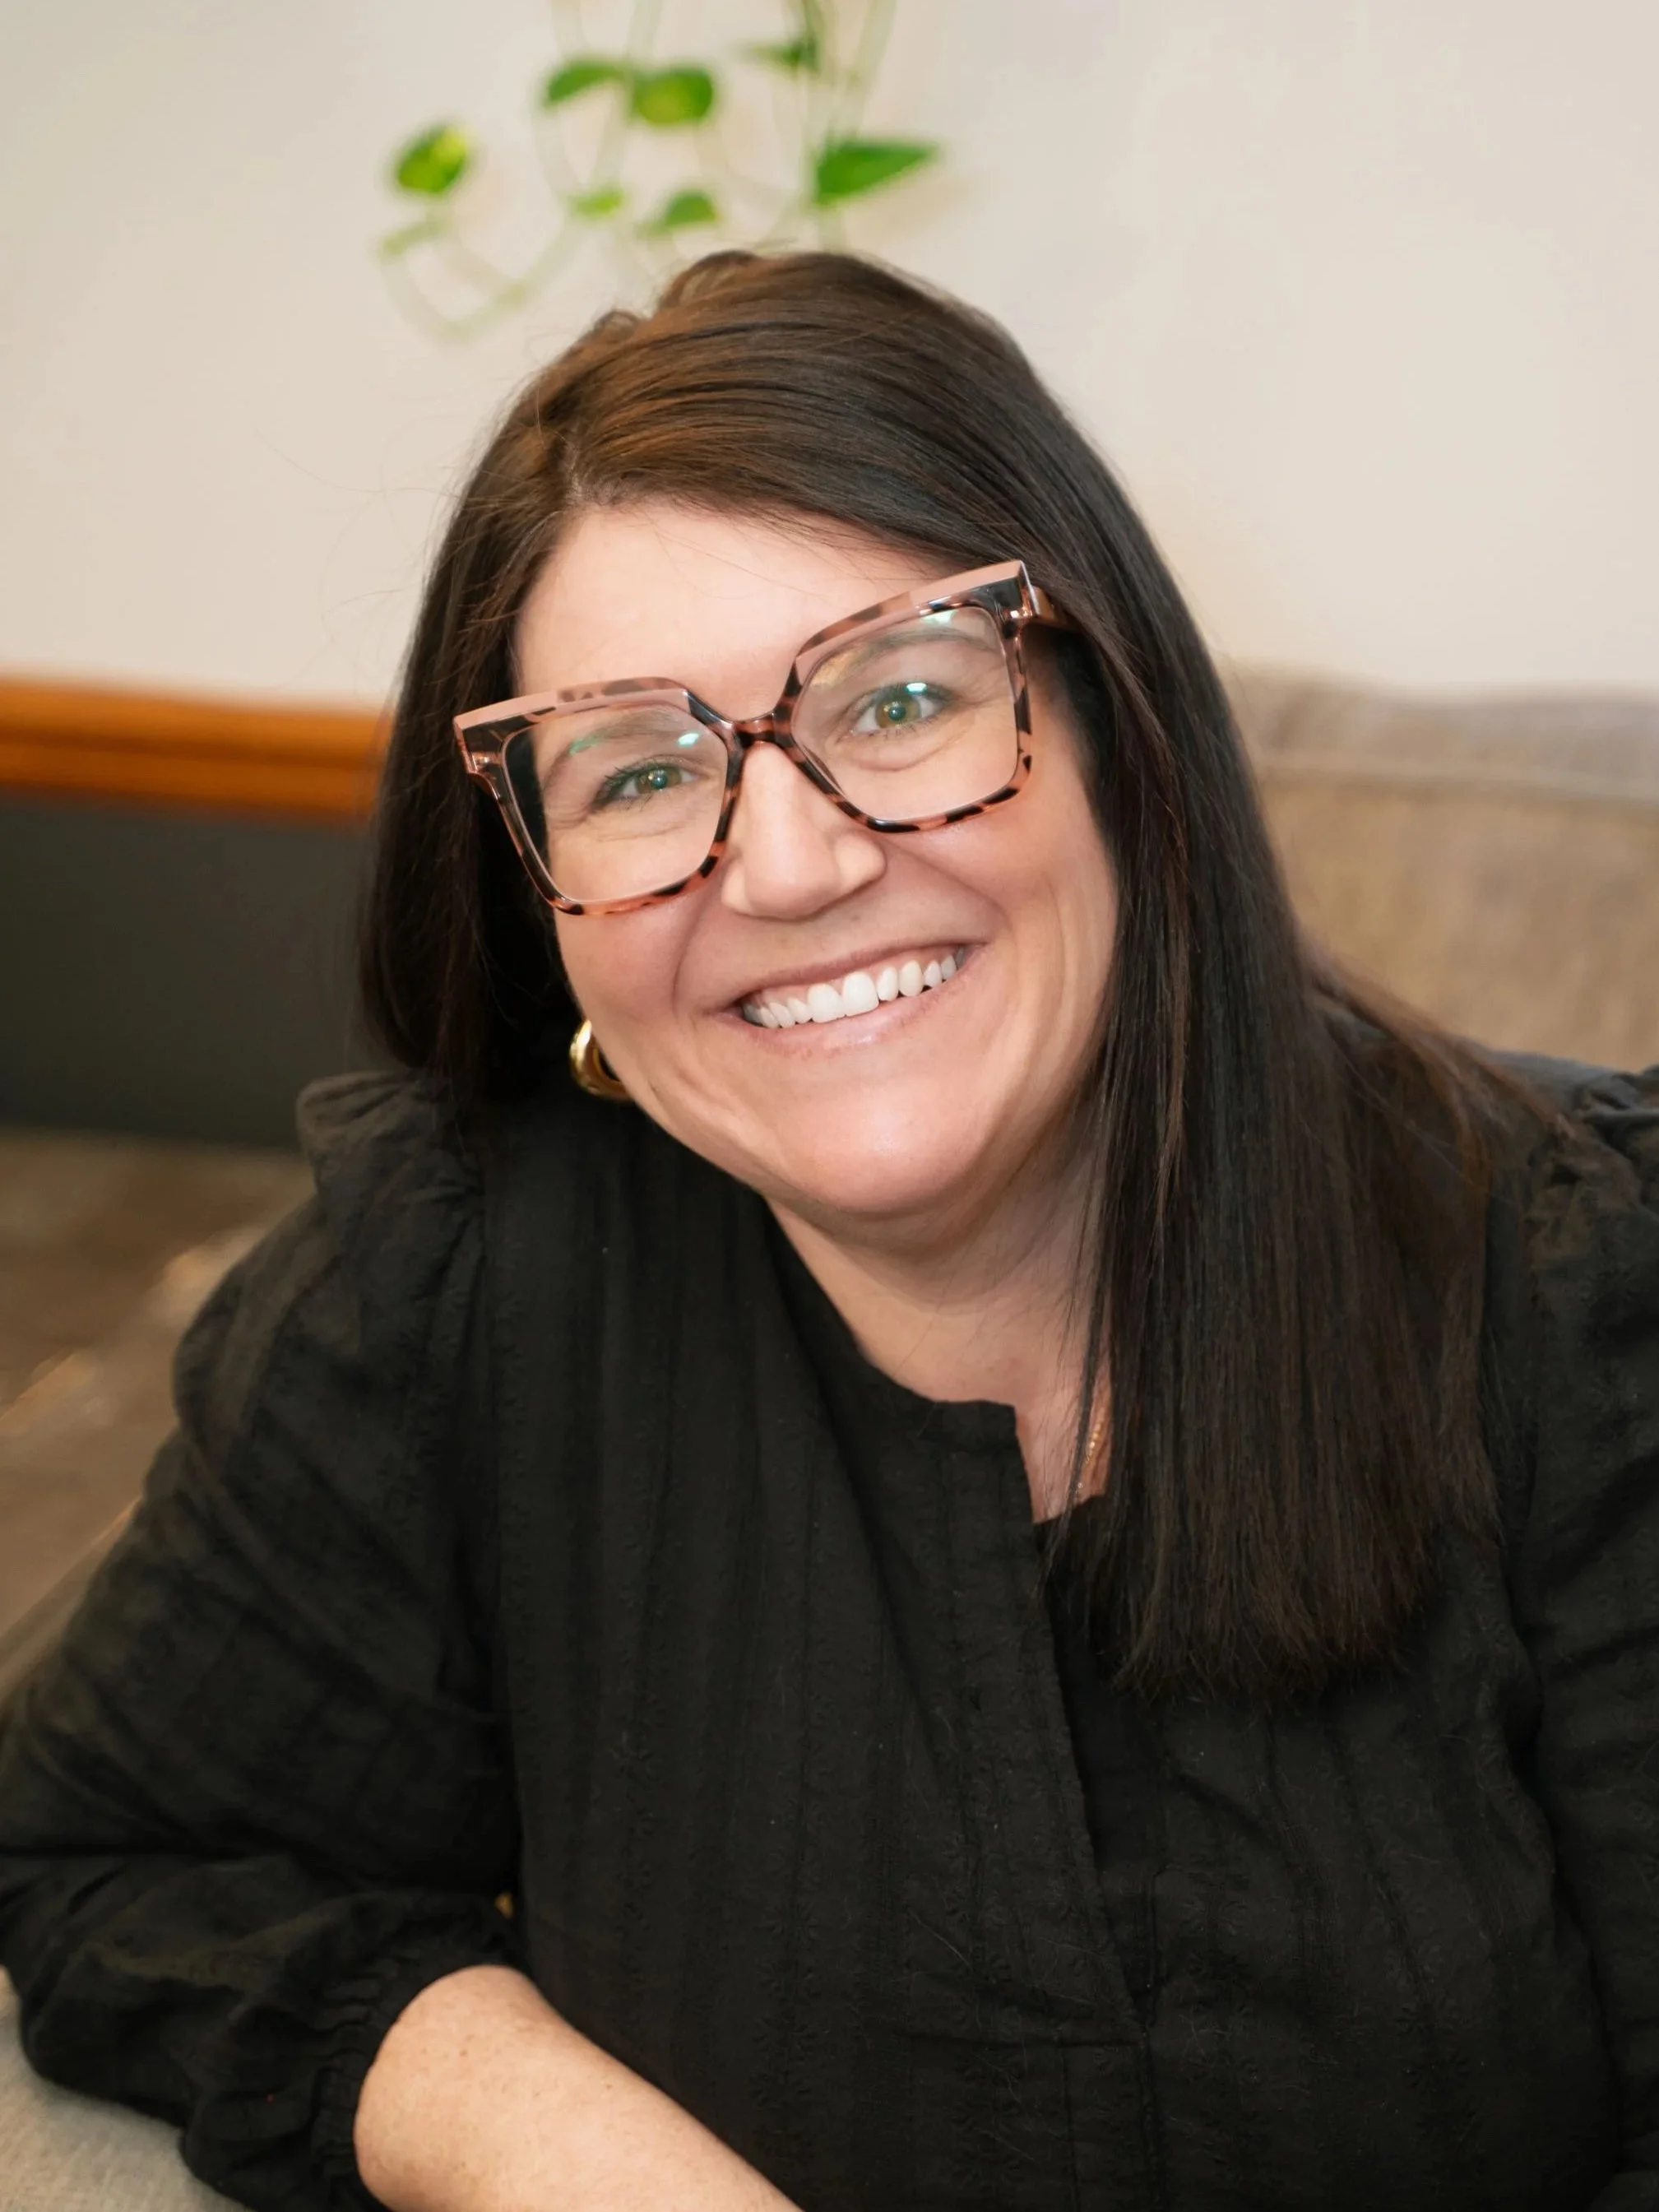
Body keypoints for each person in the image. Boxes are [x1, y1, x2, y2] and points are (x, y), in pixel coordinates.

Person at [1, 249, 1656, 2212]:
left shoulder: (1577, 1282)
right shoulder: (451, 1286)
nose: (788, 864)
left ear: (1116, 729)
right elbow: (114, 1864)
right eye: (638, 769)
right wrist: (573, 2155)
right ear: (544, 897)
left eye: (898, 696)